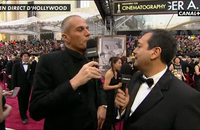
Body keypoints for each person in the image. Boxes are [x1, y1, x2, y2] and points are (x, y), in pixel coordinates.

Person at [29, 15, 107, 130]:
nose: (87, 33)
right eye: (80, 29)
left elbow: (98, 85)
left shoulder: (90, 59)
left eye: (87, 28)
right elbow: (36, 110)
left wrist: (103, 105)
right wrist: (74, 83)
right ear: (66, 37)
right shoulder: (49, 61)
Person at [115, 29, 200, 130]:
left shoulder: (186, 97)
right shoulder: (135, 79)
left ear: (155, 52)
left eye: (139, 46)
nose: (134, 51)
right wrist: (123, 109)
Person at [12, 52, 33, 124]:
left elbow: (32, 75)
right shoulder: (16, 65)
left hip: (28, 87)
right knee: (21, 102)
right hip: (19, 87)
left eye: (27, 56)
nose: (26, 57)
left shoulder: (31, 65)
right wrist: (13, 88)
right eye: (25, 56)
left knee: (27, 101)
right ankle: (23, 116)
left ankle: (24, 113)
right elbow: (14, 77)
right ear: (21, 57)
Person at [102, 57, 122, 130]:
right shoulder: (109, 73)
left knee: (114, 113)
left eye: (121, 63)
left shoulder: (117, 72)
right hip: (108, 96)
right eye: (119, 63)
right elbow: (105, 87)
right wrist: (117, 86)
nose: (120, 65)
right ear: (114, 64)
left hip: (114, 96)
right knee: (109, 114)